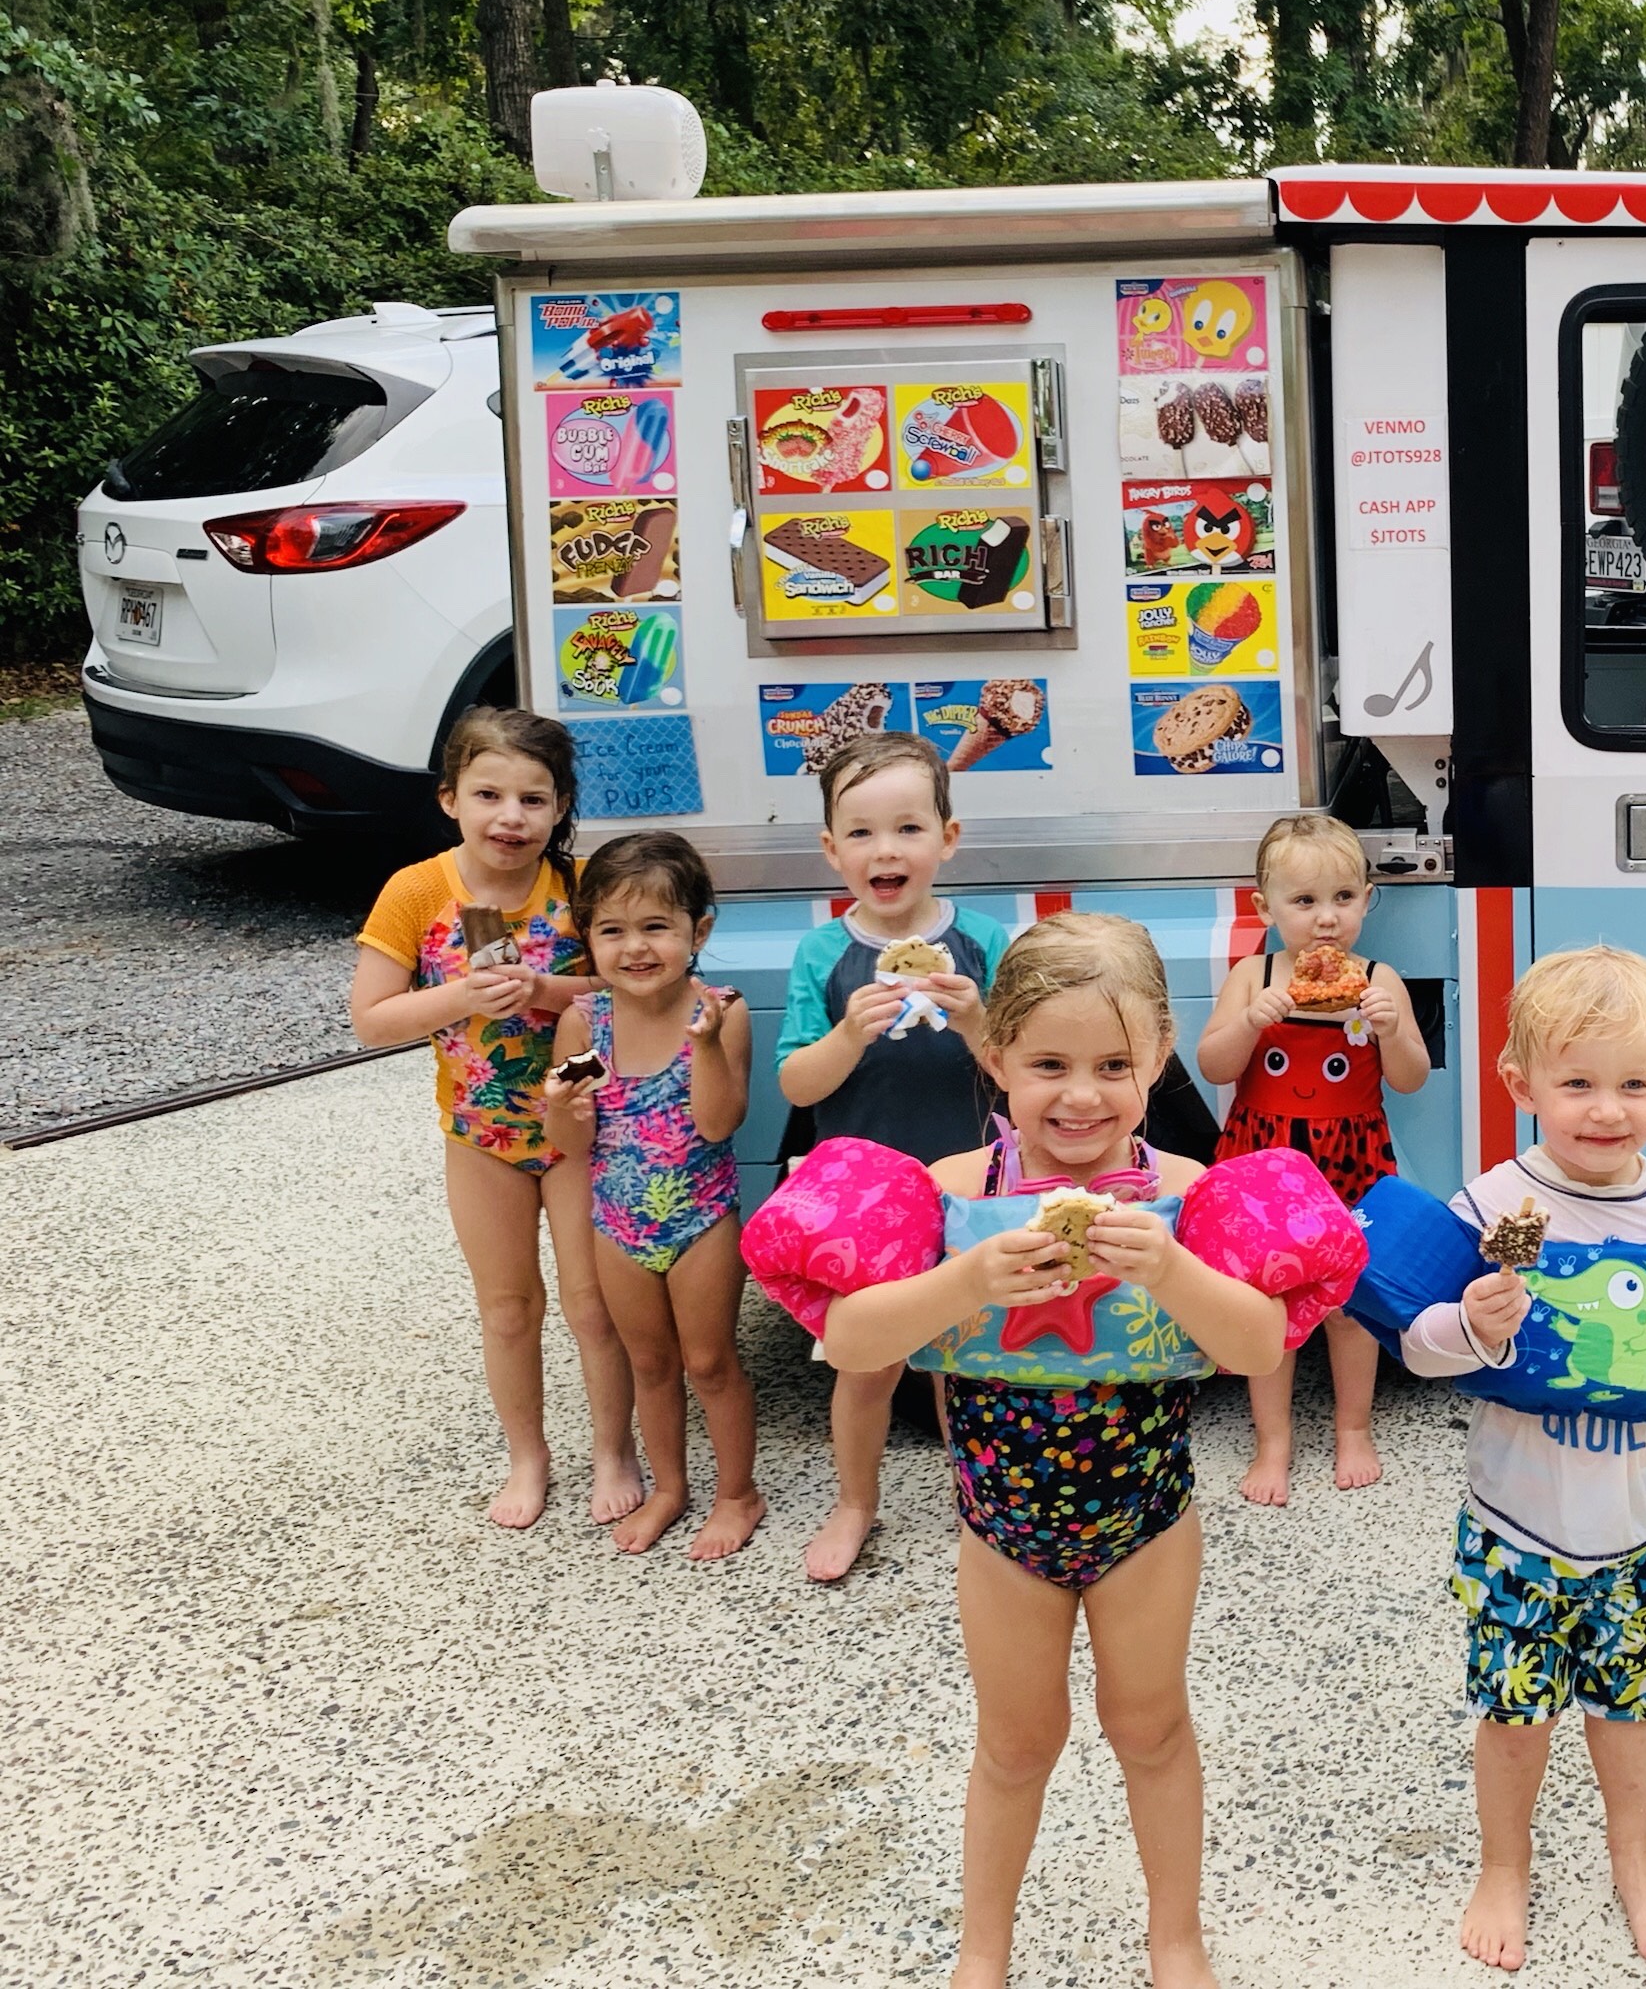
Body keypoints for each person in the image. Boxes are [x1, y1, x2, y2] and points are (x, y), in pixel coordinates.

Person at [820, 912, 1289, 1989]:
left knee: (1153, 1729)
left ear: (1160, 1059)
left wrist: (1170, 1269)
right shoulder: (950, 1193)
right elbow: (847, 1339)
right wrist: (964, 1283)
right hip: (999, 1530)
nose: (1081, 1095)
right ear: (995, 1059)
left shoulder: (1186, 1193)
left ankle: (1176, 1940)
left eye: (1114, 1065)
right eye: (1048, 1064)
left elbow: (1261, 1342)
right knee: (1016, 1745)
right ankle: (984, 1951)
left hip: (1149, 1521)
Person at [1399, 945, 1646, 1972]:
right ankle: (1503, 1865)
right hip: (1517, 1530)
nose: (1607, 1110)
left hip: (1644, 1534)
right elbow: (1417, 1354)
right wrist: (1469, 1320)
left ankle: (1633, 1853)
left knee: (1632, 1712)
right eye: (1577, 1083)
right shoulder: (1491, 1210)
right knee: (1514, 1718)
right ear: (1521, 1085)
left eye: (1634, 1084)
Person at [350, 708, 636, 1529]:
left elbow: (635, 989)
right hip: (479, 1138)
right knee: (508, 1306)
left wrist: (552, 992)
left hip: (580, 1131)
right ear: (449, 799)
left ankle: (613, 1449)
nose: (510, 817)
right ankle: (528, 1455)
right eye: (488, 794)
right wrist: (458, 996)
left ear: (560, 807)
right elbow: (372, 1018)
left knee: (592, 1304)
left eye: (533, 799)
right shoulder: (418, 891)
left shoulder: (580, 891)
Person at [775, 732, 1006, 1582]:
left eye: (908, 828)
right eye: (863, 833)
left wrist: (979, 1018)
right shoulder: (823, 955)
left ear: (948, 838)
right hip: (865, 1199)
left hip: (970, 1191)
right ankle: (854, 1503)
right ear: (833, 849)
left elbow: (1025, 1072)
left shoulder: (985, 942)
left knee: (965, 1359)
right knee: (866, 1362)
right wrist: (848, 1031)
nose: (886, 850)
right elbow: (798, 1086)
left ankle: (975, 1502)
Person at [1195, 812, 1431, 1502]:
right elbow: (1214, 1065)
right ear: (1265, 908)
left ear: (1367, 899)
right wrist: (1249, 1020)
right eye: (1304, 902)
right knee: (1269, 1296)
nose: (1325, 920)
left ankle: (1353, 1426)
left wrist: (1392, 1031)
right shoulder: (1253, 973)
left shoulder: (1380, 978)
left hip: (1349, 1154)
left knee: (1348, 1302)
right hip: (1265, 1157)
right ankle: (1273, 1441)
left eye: (1343, 898)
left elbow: (1410, 1079)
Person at [540, 833, 761, 1559]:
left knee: (708, 1361)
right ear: (589, 938)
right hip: (616, 1221)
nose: (635, 948)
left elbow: (718, 1122)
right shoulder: (585, 1022)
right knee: (650, 1363)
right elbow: (573, 1147)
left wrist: (703, 1045)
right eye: (613, 930)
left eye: (656, 927)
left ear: (698, 932)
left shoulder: (723, 1011)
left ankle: (737, 1494)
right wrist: (560, 1112)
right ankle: (669, 1486)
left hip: (702, 1219)